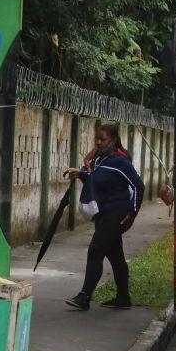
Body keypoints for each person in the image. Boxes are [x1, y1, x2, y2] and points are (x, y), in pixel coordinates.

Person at [63, 123, 144, 310]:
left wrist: (132, 213)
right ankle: (123, 298)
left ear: (113, 140)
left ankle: (84, 297)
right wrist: (80, 173)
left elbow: (138, 186)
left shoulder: (120, 161)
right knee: (116, 256)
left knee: (95, 250)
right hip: (103, 213)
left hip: (117, 214)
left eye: (103, 139)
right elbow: (97, 179)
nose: (99, 142)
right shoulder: (101, 159)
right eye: (97, 139)